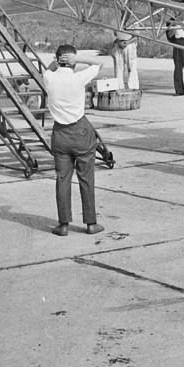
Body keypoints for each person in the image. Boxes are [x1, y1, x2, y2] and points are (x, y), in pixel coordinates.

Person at [42, 44, 106, 237]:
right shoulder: (79, 77)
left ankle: (63, 225)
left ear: (58, 59)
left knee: (62, 179)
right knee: (86, 178)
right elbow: (99, 63)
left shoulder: (49, 77)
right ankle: (91, 223)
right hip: (80, 131)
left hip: (59, 134)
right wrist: (78, 59)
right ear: (72, 61)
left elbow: (48, 68)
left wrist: (56, 62)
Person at [166, 15, 184, 96]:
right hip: (177, 42)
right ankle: (179, 90)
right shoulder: (172, 20)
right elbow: (169, 34)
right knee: (178, 68)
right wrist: (176, 23)